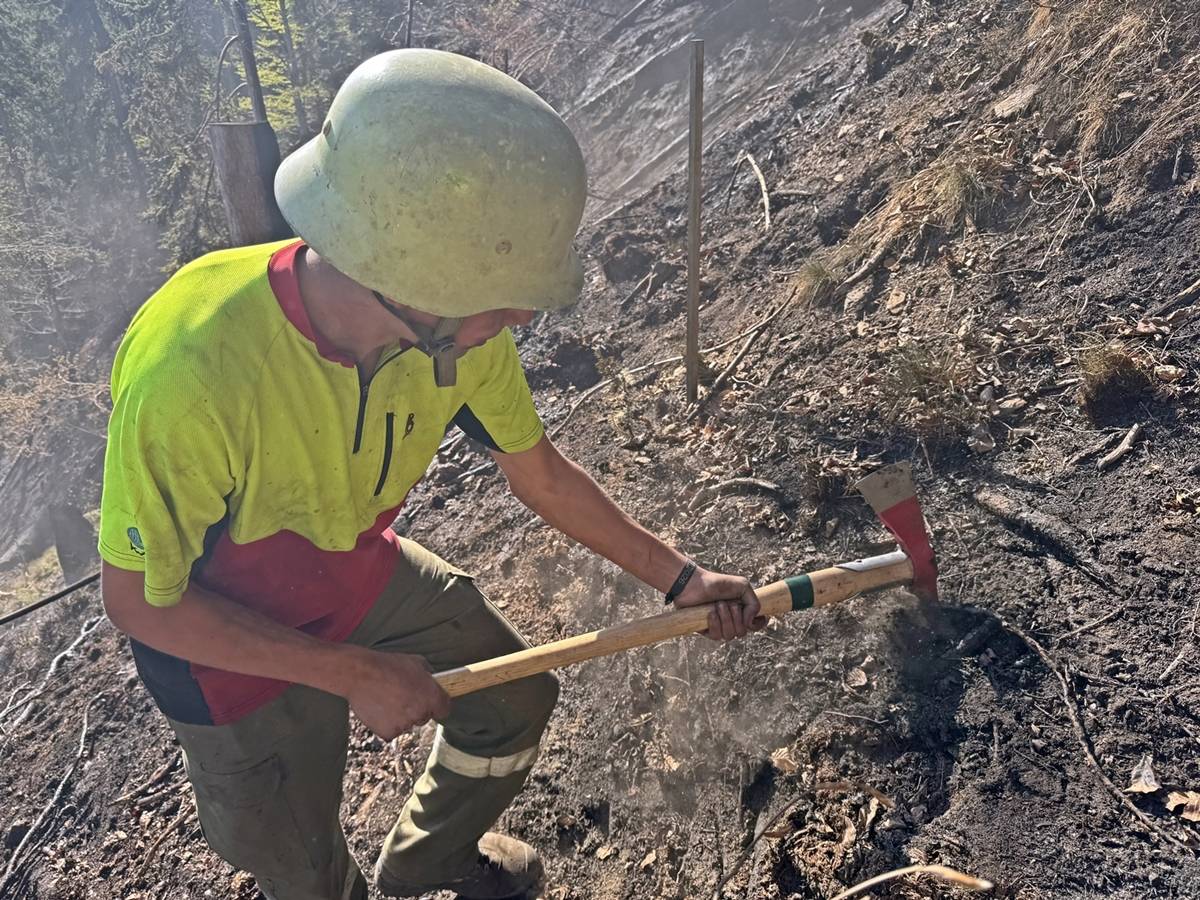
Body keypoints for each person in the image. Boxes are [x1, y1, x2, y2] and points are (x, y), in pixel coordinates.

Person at [98, 48, 762, 900]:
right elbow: (138, 603)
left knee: (514, 701)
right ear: (410, 277)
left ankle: (426, 864)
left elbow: (541, 475)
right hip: (216, 645)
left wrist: (681, 578)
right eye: (502, 289)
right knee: (301, 867)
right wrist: (348, 673)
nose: (522, 314)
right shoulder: (193, 366)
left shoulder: (459, 336)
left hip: (351, 570)